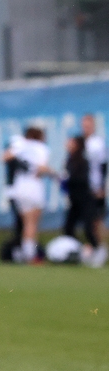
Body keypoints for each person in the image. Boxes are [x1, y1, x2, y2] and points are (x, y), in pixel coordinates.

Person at [2, 126, 57, 264]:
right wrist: (53, 173)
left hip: (20, 186)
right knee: (32, 224)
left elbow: (5, 156)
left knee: (26, 223)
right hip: (33, 187)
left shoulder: (21, 144)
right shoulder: (41, 148)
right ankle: (30, 255)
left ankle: (22, 253)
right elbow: (41, 169)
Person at [61, 135, 98, 257]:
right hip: (74, 201)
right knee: (68, 228)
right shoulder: (69, 160)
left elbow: (82, 180)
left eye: (71, 142)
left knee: (88, 229)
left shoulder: (83, 161)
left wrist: (67, 179)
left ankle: (97, 251)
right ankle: (75, 251)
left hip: (85, 200)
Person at [80, 113, 107, 266]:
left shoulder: (97, 143)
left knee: (96, 221)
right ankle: (95, 250)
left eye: (88, 125)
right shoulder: (81, 142)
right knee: (88, 221)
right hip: (83, 188)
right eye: (84, 125)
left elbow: (103, 165)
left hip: (95, 188)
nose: (86, 128)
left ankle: (101, 251)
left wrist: (101, 187)